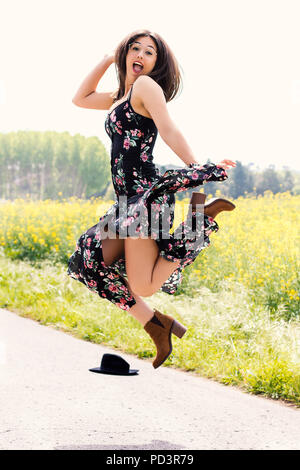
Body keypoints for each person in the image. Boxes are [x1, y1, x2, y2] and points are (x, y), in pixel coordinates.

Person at [68, 29, 236, 369]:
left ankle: (200, 221)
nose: (140, 55)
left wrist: (198, 169)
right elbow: (80, 98)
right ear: (125, 54)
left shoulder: (146, 87)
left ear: (156, 64)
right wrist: (107, 56)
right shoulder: (121, 95)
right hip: (127, 201)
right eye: (134, 49)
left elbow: (169, 127)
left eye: (149, 52)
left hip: (146, 198)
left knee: (145, 284)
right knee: (88, 260)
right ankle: (156, 324)